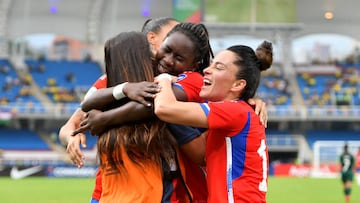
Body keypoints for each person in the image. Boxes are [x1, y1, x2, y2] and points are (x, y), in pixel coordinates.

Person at [58, 17, 180, 203]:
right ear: (152, 38)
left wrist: (104, 118)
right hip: (112, 189)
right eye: (172, 35)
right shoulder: (111, 80)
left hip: (160, 188)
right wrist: (71, 138)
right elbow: (70, 125)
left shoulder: (172, 79)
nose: (178, 40)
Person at [153, 41, 273, 202]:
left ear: (238, 84)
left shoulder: (235, 111)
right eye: (211, 64)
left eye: (219, 67)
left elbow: (164, 108)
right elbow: (202, 155)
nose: (206, 70)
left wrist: (164, 80)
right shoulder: (240, 112)